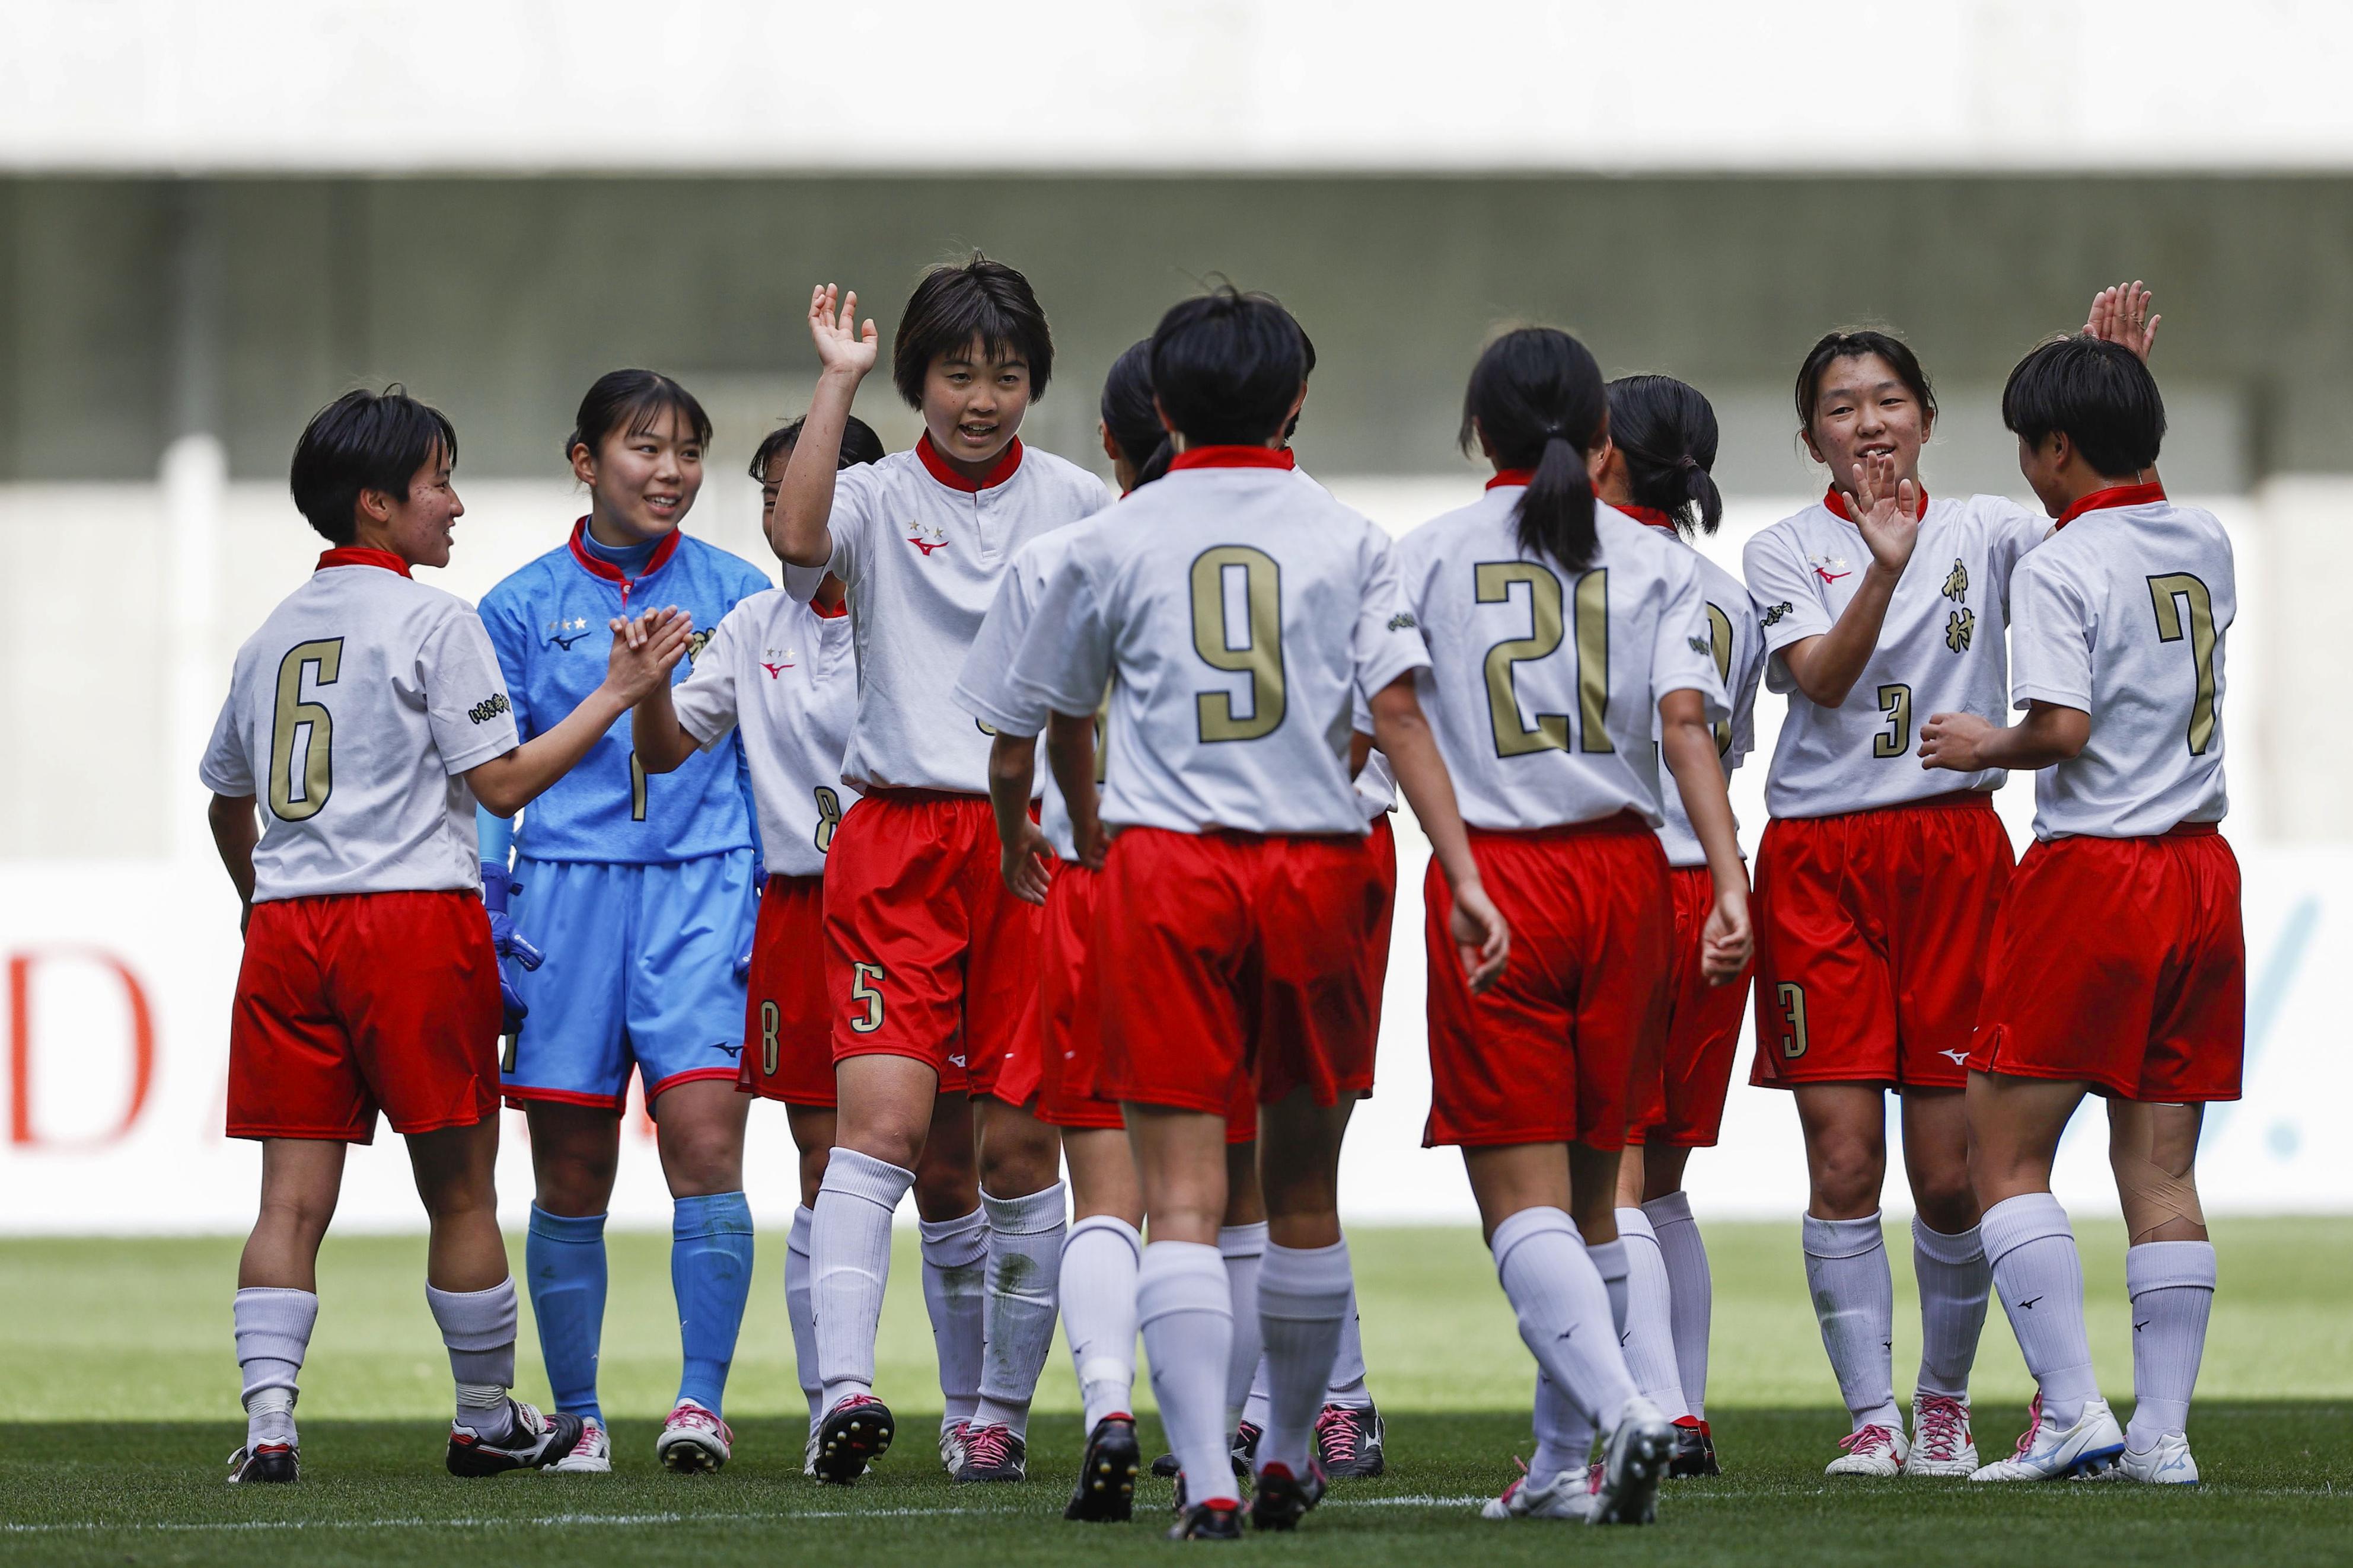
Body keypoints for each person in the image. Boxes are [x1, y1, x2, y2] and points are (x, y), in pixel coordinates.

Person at [1008, 286, 1508, 1540]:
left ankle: (1211, 1481)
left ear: (1162, 410)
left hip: (1168, 869)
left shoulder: (1110, 541)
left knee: (1173, 1197)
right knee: (1299, 1192)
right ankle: (1287, 1448)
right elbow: (1396, 716)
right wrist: (1464, 872)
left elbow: (1047, 724)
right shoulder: (1345, 534)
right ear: (1296, 403)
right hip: (1315, 867)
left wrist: (1077, 816)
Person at [208, 387, 691, 1483]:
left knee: (288, 1198)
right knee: (462, 1188)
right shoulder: (437, 620)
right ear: (377, 504)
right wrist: (619, 691)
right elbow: (503, 778)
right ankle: (484, 1416)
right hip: (415, 921)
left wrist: (255, 899)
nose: (456, 504)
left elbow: (226, 801)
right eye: (437, 482)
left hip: (290, 929)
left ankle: (272, 1428)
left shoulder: (267, 634)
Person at [1393, 328, 1750, 1527]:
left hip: (1500, 877)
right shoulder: (1655, 565)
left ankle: (1622, 1410)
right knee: (1600, 1197)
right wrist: (1735, 887)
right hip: (1632, 880)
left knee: (1521, 1201)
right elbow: (1688, 728)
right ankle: (1561, 1466)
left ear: (1475, 432)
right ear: (1603, 445)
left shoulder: (1427, 555)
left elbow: (1381, 725)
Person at [770, 256, 1114, 1484]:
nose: (981, 397)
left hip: (1032, 853)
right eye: (959, 373)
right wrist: (835, 381)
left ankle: (997, 1419)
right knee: (885, 1130)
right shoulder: (866, 491)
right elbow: (798, 540)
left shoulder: (1078, 500)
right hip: (897, 841)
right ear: (916, 374)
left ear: (1036, 383)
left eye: (1006, 375)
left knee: (1021, 1152)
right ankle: (845, 1393)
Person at [1920, 290, 2237, 1487]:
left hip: (2093, 874)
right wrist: (2108, 380)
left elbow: (2060, 726)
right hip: (2200, 877)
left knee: (1997, 1154)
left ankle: (2069, 1410)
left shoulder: (2056, 566)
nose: (2024, 467)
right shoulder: (2203, 539)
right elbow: (2125, 486)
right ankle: (2161, 1437)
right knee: (2159, 1169)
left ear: (2054, 449)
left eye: (2030, 443)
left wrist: (1978, 747)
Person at [631, 414, 983, 1475]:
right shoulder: (749, 627)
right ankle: (840, 1398)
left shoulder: (929, 609)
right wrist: (645, 681)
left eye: (811, 490)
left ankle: (976, 1414)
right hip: (804, 908)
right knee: (826, 1161)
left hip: (928, 891)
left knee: (953, 1168)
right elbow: (667, 748)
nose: (795, 515)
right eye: (777, 494)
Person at [1741, 328, 2043, 1477]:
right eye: (1839, 407)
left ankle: (1942, 1405)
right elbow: (1816, 678)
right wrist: (1878, 561)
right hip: (1819, 866)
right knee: (1840, 1161)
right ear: (1811, 433)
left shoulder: (1989, 530)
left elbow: (2095, 527)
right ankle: (1869, 1418)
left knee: (1953, 1170)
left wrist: (2109, 393)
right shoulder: (1781, 550)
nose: (1866, 423)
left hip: (1954, 855)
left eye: (1886, 401)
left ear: (1924, 415)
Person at [474, 370, 773, 1473]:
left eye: (689, 452)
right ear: (584, 459)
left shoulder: (739, 590)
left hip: (703, 886)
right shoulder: (515, 606)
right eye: (646, 449)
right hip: (566, 895)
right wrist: (494, 923)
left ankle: (700, 1403)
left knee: (706, 1146)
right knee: (570, 1170)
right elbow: (484, 788)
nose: (672, 473)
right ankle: (581, 1414)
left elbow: (764, 757)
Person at [1599, 375, 1764, 1478]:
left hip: (1610, 881)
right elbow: (1726, 745)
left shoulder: (1582, 573)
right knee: (1661, 1180)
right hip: (1711, 881)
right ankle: (1687, 1407)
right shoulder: (1730, 597)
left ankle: (1650, 1406)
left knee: (1604, 1175)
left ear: (1604, 451)